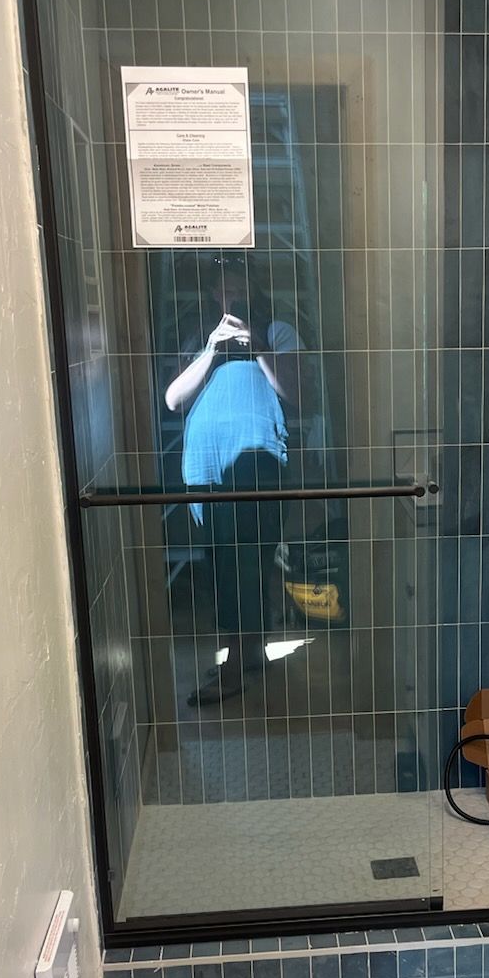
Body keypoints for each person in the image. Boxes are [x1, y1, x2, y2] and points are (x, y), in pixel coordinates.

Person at [165, 255, 303, 705]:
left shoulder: (277, 333)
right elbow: (173, 399)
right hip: (209, 471)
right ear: (212, 296)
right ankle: (250, 655)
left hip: (257, 469)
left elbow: (296, 393)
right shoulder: (204, 341)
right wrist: (211, 350)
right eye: (224, 291)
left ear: (254, 290)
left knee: (245, 565)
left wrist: (256, 343)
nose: (232, 298)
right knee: (225, 565)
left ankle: (233, 669)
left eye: (239, 289)